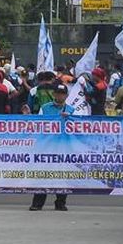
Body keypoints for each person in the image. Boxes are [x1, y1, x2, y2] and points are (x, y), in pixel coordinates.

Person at [31, 83, 73, 212]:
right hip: (47, 146)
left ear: (66, 95)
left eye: (63, 94)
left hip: (64, 146)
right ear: (54, 94)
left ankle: (60, 203)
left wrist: (69, 118)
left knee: (62, 175)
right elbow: (38, 124)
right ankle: (38, 203)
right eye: (58, 93)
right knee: (43, 174)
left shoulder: (72, 110)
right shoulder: (45, 108)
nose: (60, 96)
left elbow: (78, 126)